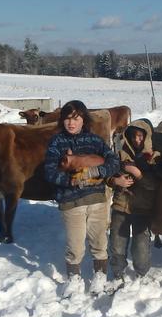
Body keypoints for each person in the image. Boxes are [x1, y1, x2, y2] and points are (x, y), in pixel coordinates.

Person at [43, 100, 120, 295]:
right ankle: (74, 278)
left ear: (83, 119)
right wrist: (69, 181)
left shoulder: (94, 140)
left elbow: (114, 162)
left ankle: (100, 275)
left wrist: (96, 171)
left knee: (99, 241)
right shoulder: (57, 142)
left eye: (75, 118)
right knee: (75, 244)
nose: (71, 123)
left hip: (96, 198)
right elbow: (49, 171)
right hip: (71, 201)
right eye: (68, 118)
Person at [107, 118, 162, 284]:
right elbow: (107, 174)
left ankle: (142, 273)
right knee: (116, 244)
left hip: (143, 208)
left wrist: (137, 174)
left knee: (141, 248)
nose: (137, 140)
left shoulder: (154, 156)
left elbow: (155, 185)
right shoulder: (119, 153)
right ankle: (118, 274)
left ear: (146, 137)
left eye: (140, 136)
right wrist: (115, 181)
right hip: (120, 205)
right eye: (134, 136)